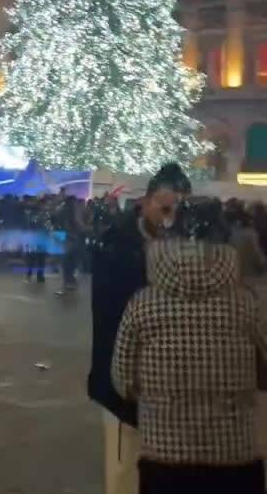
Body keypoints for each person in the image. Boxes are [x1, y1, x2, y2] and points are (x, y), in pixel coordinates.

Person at [112, 197, 267, 494]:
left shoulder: (143, 304)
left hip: (164, 459)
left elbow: (123, 381)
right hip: (235, 455)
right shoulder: (247, 303)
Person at [88, 161, 192, 494]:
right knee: (124, 469)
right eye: (164, 207)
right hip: (124, 380)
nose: (168, 216)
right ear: (146, 202)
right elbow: (111, 311)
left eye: (175, 208)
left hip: (166, 382)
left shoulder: (179, 244)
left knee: (155, 472)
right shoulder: (117, 243)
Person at [225, 200, 267, 281]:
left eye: (251, 210)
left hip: (245, 271)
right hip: (254, 270)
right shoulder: (253, 229)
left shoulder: (247, 230)